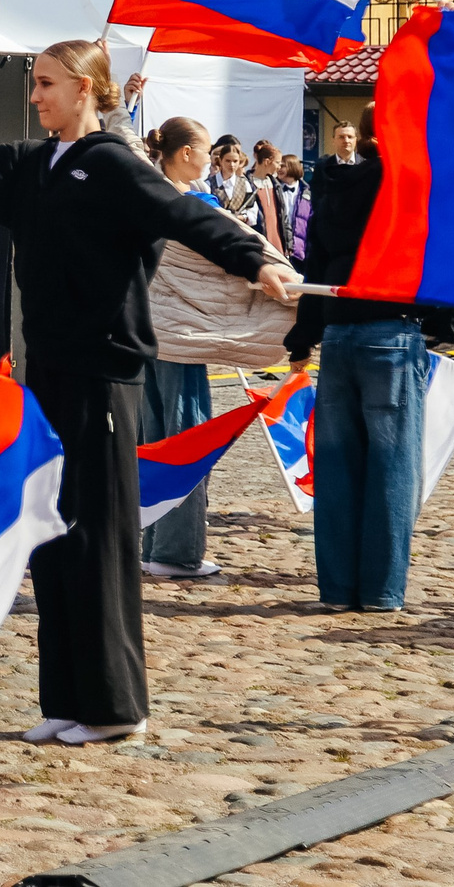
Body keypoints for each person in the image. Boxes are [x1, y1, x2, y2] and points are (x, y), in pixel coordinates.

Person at [0, 0, 298, 743]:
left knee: (102, 539)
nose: (33, 94)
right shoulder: (41, 166)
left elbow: (186, 216)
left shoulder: (111, 163)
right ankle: (68, 698)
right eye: (34, 83)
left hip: (104, 376)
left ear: (85, 89)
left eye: (44, 83)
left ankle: (116, 706)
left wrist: (257, 260)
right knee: (57, 534)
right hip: (50, 376)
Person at [284, 114, 422, 611]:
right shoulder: (403, 182)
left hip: (338, 331)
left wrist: (303, 336)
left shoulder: (329, 183)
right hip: (389, 330)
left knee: (338, 468)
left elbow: (314, 263)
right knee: (392, 467)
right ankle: (383, 590)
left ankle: (339, 589)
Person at [140, 119, 287, 581]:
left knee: (153, 439)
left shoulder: (141, 194)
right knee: (188, 439)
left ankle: (151, 543)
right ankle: (179, 552)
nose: (213, 157)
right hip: (182, 339)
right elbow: (244, 253)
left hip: (146, 334)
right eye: (205, 150)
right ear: (185, 154)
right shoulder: (194, 205)